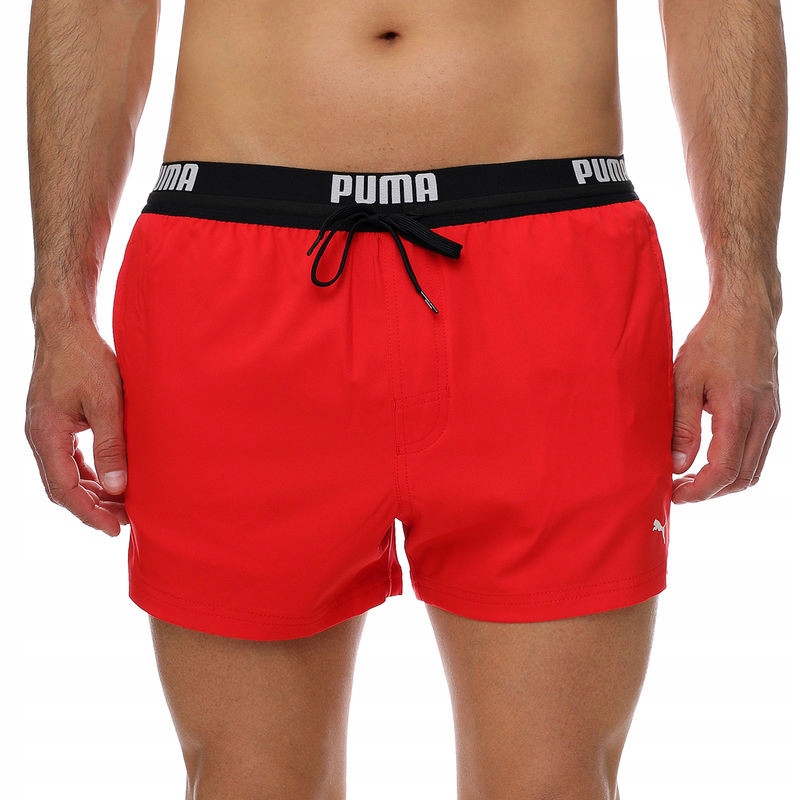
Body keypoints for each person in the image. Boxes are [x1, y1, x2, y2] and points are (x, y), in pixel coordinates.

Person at [25, 1, 785, 798]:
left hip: (548, 261)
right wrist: (59, 308)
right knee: (248, 783)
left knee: (552, 784)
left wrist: (747, 293)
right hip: (232, 257)